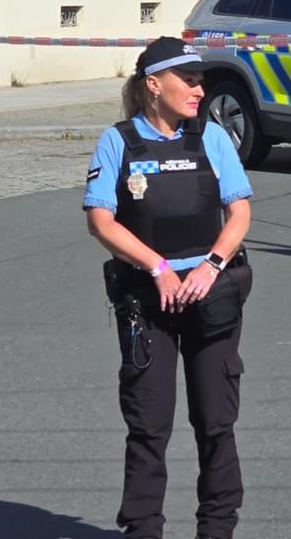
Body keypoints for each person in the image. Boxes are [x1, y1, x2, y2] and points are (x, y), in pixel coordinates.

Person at [83, 36, 254, 539]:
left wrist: (211, 266)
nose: (200, 90)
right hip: (147, 299)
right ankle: (143, 529)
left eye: (201, 81)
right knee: (148, 425)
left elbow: (239, 212)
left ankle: (217, 530)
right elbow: (101, 220)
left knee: (216, 422)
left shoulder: (212, 138)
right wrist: (157, 266)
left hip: (210, 296)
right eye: (189, 80)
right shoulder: (118, 141)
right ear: (154, 85)